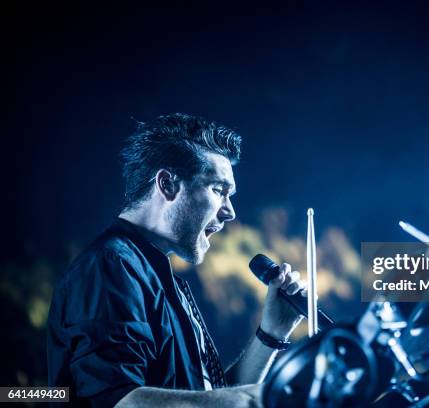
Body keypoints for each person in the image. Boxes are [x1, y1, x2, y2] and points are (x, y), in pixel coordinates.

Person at [47, 113, 305, 407]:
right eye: (219, 190)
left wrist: (271, 333)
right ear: (167, 184)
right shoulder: (110, 266)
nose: (230, 211)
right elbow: (117, 400)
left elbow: (207, 398)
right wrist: (262, 398)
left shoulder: (156, 276)